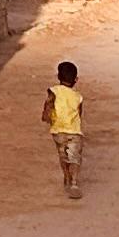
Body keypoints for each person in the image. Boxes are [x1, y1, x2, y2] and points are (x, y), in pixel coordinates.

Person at [43, 60, 84, 200]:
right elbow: (79, 114)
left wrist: (47, 117)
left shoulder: (53, 91)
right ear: (76, 79)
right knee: (74, 157)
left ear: (58, 77)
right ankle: (74, 182)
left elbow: (48, 106)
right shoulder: (78, 97)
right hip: (74, 132)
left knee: (62, 155)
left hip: (58, 130)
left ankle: (66, 175)